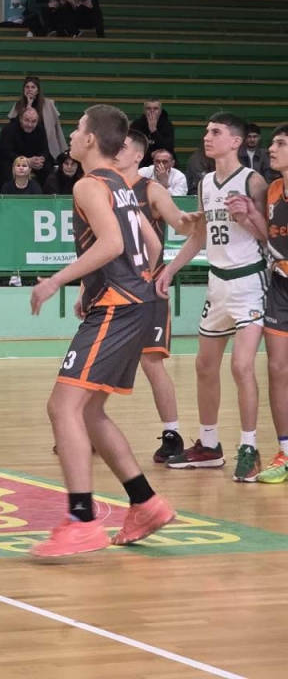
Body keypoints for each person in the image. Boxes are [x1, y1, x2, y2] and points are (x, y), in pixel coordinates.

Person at [29, 105, 175, 557]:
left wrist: (56, 281)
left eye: (76, 129)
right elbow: (152, 244)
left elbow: (112, 243)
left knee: (62, 407)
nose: (72, 135)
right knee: (90, 412)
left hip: (119, 307)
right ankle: (145, 503)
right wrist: (101, 286)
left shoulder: (89, 184)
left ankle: (82, 519)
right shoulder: (122, 185)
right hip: (133, 303)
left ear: (91, 139)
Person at [155, 112, 268, 480]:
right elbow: (200, 235)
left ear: (235, 141)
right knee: (204, 366)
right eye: (206, 131)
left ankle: (249, 447)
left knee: (241, 366)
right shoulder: (204, 182)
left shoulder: (253, 180)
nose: (207, 137)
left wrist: (247, 218)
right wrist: (170, 269)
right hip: (217, 283)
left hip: (249, 282)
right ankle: (209, 445)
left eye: (215, 132)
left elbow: (271, 235)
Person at [116, 130, 199, 464]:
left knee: (151, 363)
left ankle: (172, 434)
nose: (115, 150)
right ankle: (89, 425)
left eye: (122, 147)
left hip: (148, 287)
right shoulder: (105, 187)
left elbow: (184, 226)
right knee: (102, 360)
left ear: (138, 155)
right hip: (112, 286)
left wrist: (188, 223)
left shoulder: (151, 190)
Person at [254, 124, 288, 484]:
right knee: (277, 369)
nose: (272, 149)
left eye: (281, 143)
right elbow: (270, 236)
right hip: (280, 285)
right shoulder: (274, 189)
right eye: (273, 143)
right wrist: (249, 217)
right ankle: (285, 451)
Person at [0, 108, 54, 189]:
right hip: (12, 160)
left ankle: (49, 194)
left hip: (33, 161)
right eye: (27, 120)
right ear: (20, 119)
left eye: (33, 121)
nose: (30, 124)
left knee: (47, 168)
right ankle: (8, 194)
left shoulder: (40, 130)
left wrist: (41, 158)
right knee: (6, 167)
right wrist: (27, 161)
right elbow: (5, 151)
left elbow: (45, 150)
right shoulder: (9, 129)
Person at [8, 76, 65, 161]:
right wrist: (28, 105)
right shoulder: (18, 105)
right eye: (27, 87)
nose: (29, 89)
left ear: (38, 90)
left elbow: (55, 126)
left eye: (33, 87)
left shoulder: (48, 104)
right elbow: (14, 124)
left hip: (44, 145)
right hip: (23, 144)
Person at [129, 99, 174, 164]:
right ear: (144, 111)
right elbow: (133, 147)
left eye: (155, 109)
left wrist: (154, 131)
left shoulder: (167, 125)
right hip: (142, 161)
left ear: (160, 111)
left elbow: (168, 148)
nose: (152, 111)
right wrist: (150, 154)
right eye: (148, 108)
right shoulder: (136, 124)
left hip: (162, 161)